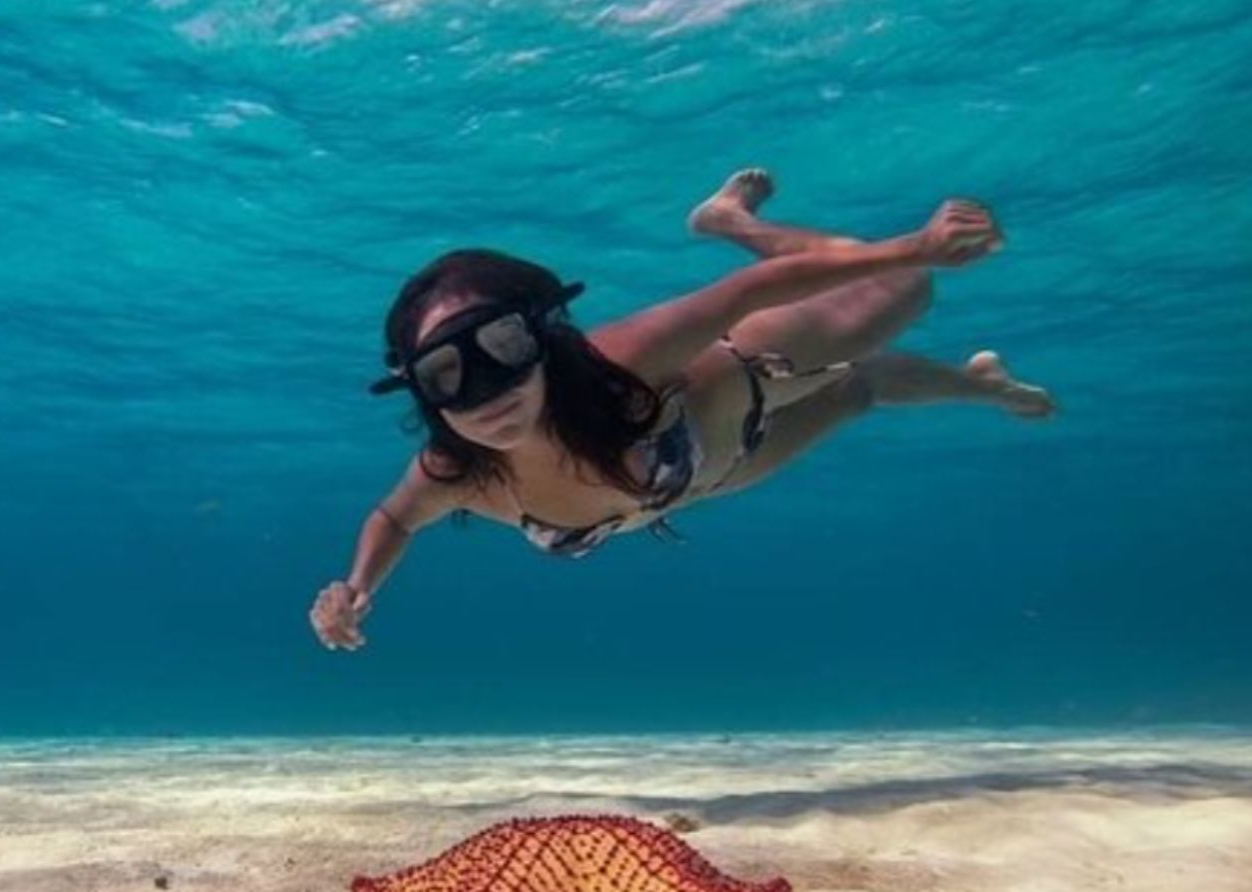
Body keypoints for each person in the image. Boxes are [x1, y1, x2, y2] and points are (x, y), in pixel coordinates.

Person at [310, 169, 1053, 651]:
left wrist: (911, 246)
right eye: (446, 374)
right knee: (859, 390)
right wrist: (357, 588)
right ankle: (981, 384)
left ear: (538, 336)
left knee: (908, 292)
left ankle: (733, 222)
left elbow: (749, 295)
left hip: (737, 381)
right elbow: (395, 517)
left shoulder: (620, 363)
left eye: (499, 347)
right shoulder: (455, 469)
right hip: (713, 472)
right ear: (419, 391)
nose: (486, 391)